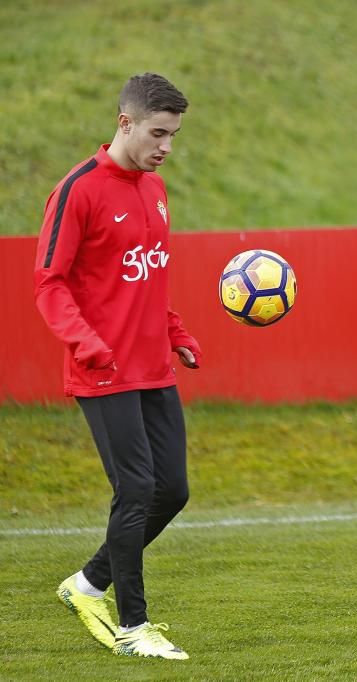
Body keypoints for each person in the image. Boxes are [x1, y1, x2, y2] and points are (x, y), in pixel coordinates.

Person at [34, 73, 201, 659]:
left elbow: (149, 277)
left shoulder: (154, 189)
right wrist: (85, 342)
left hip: (153, 365)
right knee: (135, 489)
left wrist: (175, 332)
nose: (167, 147)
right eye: (159, 134)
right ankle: (134, 625)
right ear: (125, 123)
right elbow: (49, 283)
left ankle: (85, 583)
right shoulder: (77, 190)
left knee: (172, 490)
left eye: (174, 136)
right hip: (101, 370)